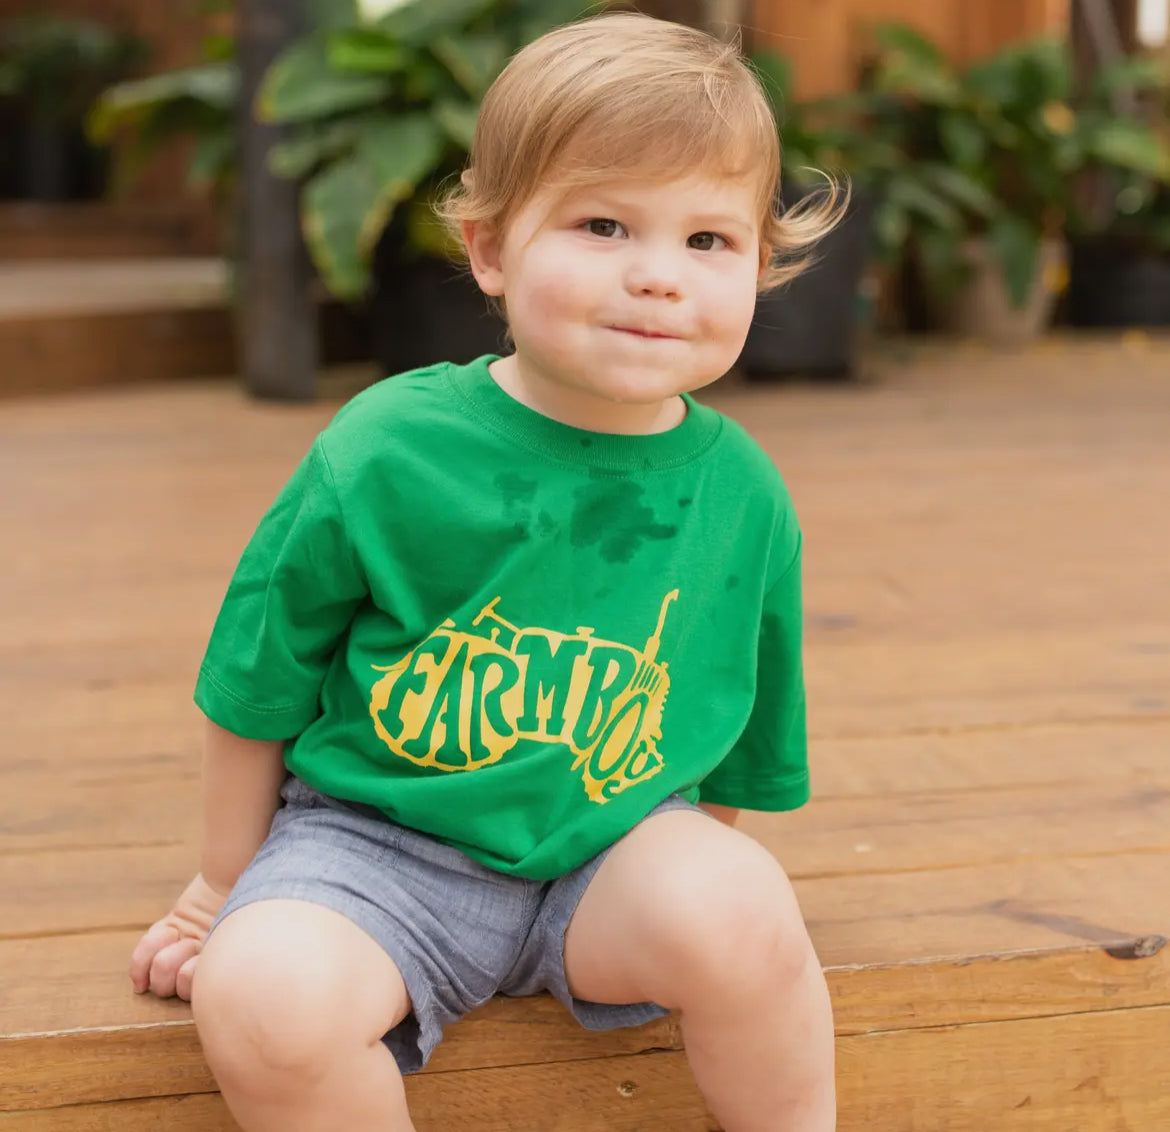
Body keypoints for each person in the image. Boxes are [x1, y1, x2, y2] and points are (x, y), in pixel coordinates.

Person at [129, 12, 844, 1131]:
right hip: (376, 847)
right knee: (263, 998)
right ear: (491, 248)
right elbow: (255, 679)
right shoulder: (387, 448)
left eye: (708, 240)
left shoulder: (743, 491)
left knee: (747, 909)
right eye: (603, 225)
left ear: (762, 264)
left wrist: (705, 911)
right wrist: (222, 885)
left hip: (612, 848)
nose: (659, 277)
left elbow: (744, 727)